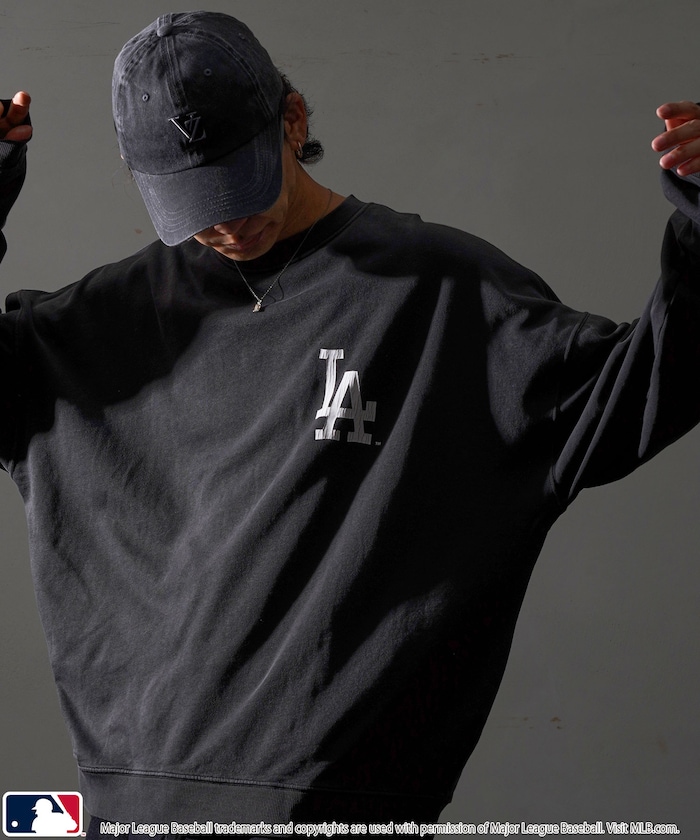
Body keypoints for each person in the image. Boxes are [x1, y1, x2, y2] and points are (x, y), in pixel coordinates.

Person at [1, 9, 700, 834]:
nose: (225, 224)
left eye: (240, 182)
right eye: (192, 201)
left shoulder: (441, 294)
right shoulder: (97, 326)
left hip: (339, 810)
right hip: (121, 811)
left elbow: (646, 387)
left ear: (293, 121)